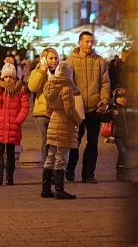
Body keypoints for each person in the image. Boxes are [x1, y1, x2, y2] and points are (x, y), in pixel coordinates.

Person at [65, 30, 111, 183]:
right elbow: (66, 84)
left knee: (92, 142)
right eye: (86, 41)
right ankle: (69, 169)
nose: (89, 44)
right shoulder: (70, 62)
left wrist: (103, 100)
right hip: (77, 109)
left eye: (91, 41)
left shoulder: (99, 61)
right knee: (74, 141)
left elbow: (105, 83)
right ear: (79, 42)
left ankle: (88, 174)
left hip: (93, 108)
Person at [0, 58, 29, 185]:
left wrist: (18, 121)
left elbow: (24, 107)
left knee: (11, 153)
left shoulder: (20, 90)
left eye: (11, 77)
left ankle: (10, 177)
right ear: (2, 76)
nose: (8, 79)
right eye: (6, 77)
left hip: (13, 127)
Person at [43, 61, 82, 199]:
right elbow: (70, 110)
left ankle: (46, 189)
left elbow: (48, 109)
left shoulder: (49, 86)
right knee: (62, 158)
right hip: (64, 124)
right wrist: (78, 120)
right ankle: (59, 190)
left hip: (53, 122)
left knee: (51, 156)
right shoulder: (66, 88)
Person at [28, 48, 61, 173]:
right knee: (46, 140)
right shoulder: (37, 72)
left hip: (57, 112)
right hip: (42, 112)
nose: (54, 61)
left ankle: (55, 168)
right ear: (44, 59)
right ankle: (47, 169)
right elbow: (33, 87)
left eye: (55, 58)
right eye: (51, 58)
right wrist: (42, 70)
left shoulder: (61, 72)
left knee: (56, 141)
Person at [100, 85, 131, 181]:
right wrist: (101, 113)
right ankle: (120, 172)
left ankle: (127, 173)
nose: (123, 99)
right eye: (120, 97)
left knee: (128, 154)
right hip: (119, 136)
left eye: (124, 97)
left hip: (130, 136)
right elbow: (105, 119)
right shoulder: (113, 110)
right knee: (123, 153)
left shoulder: (130, 109)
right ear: (115, 98)